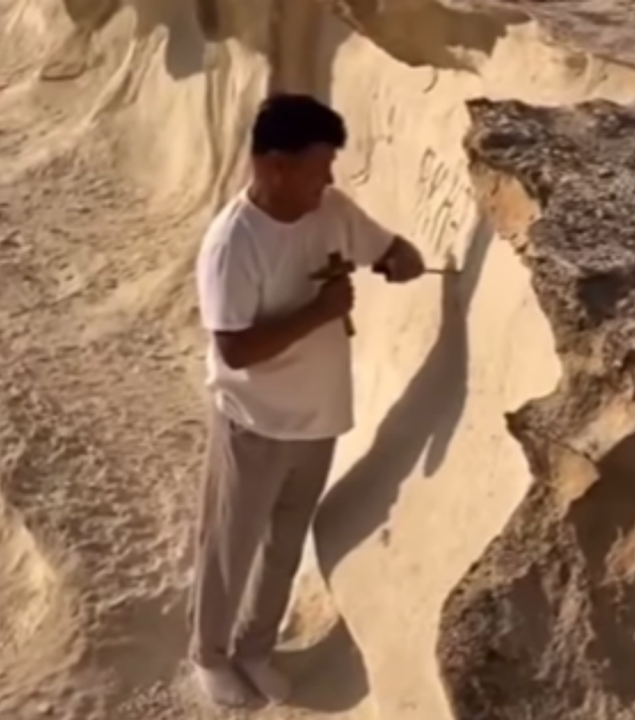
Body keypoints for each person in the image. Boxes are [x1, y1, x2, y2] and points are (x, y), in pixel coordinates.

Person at [189, 93, 426, 708]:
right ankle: (209, 656)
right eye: (319, 168)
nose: (329, 181)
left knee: (283, 546)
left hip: (318, 421)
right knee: (230, 545)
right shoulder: (233, 244)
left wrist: (402, 258)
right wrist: (319, 312)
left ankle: (255, 648)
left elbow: (385, 248)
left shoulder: (331, 210)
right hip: (255, 422)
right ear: (276, 166)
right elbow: (235, 350)